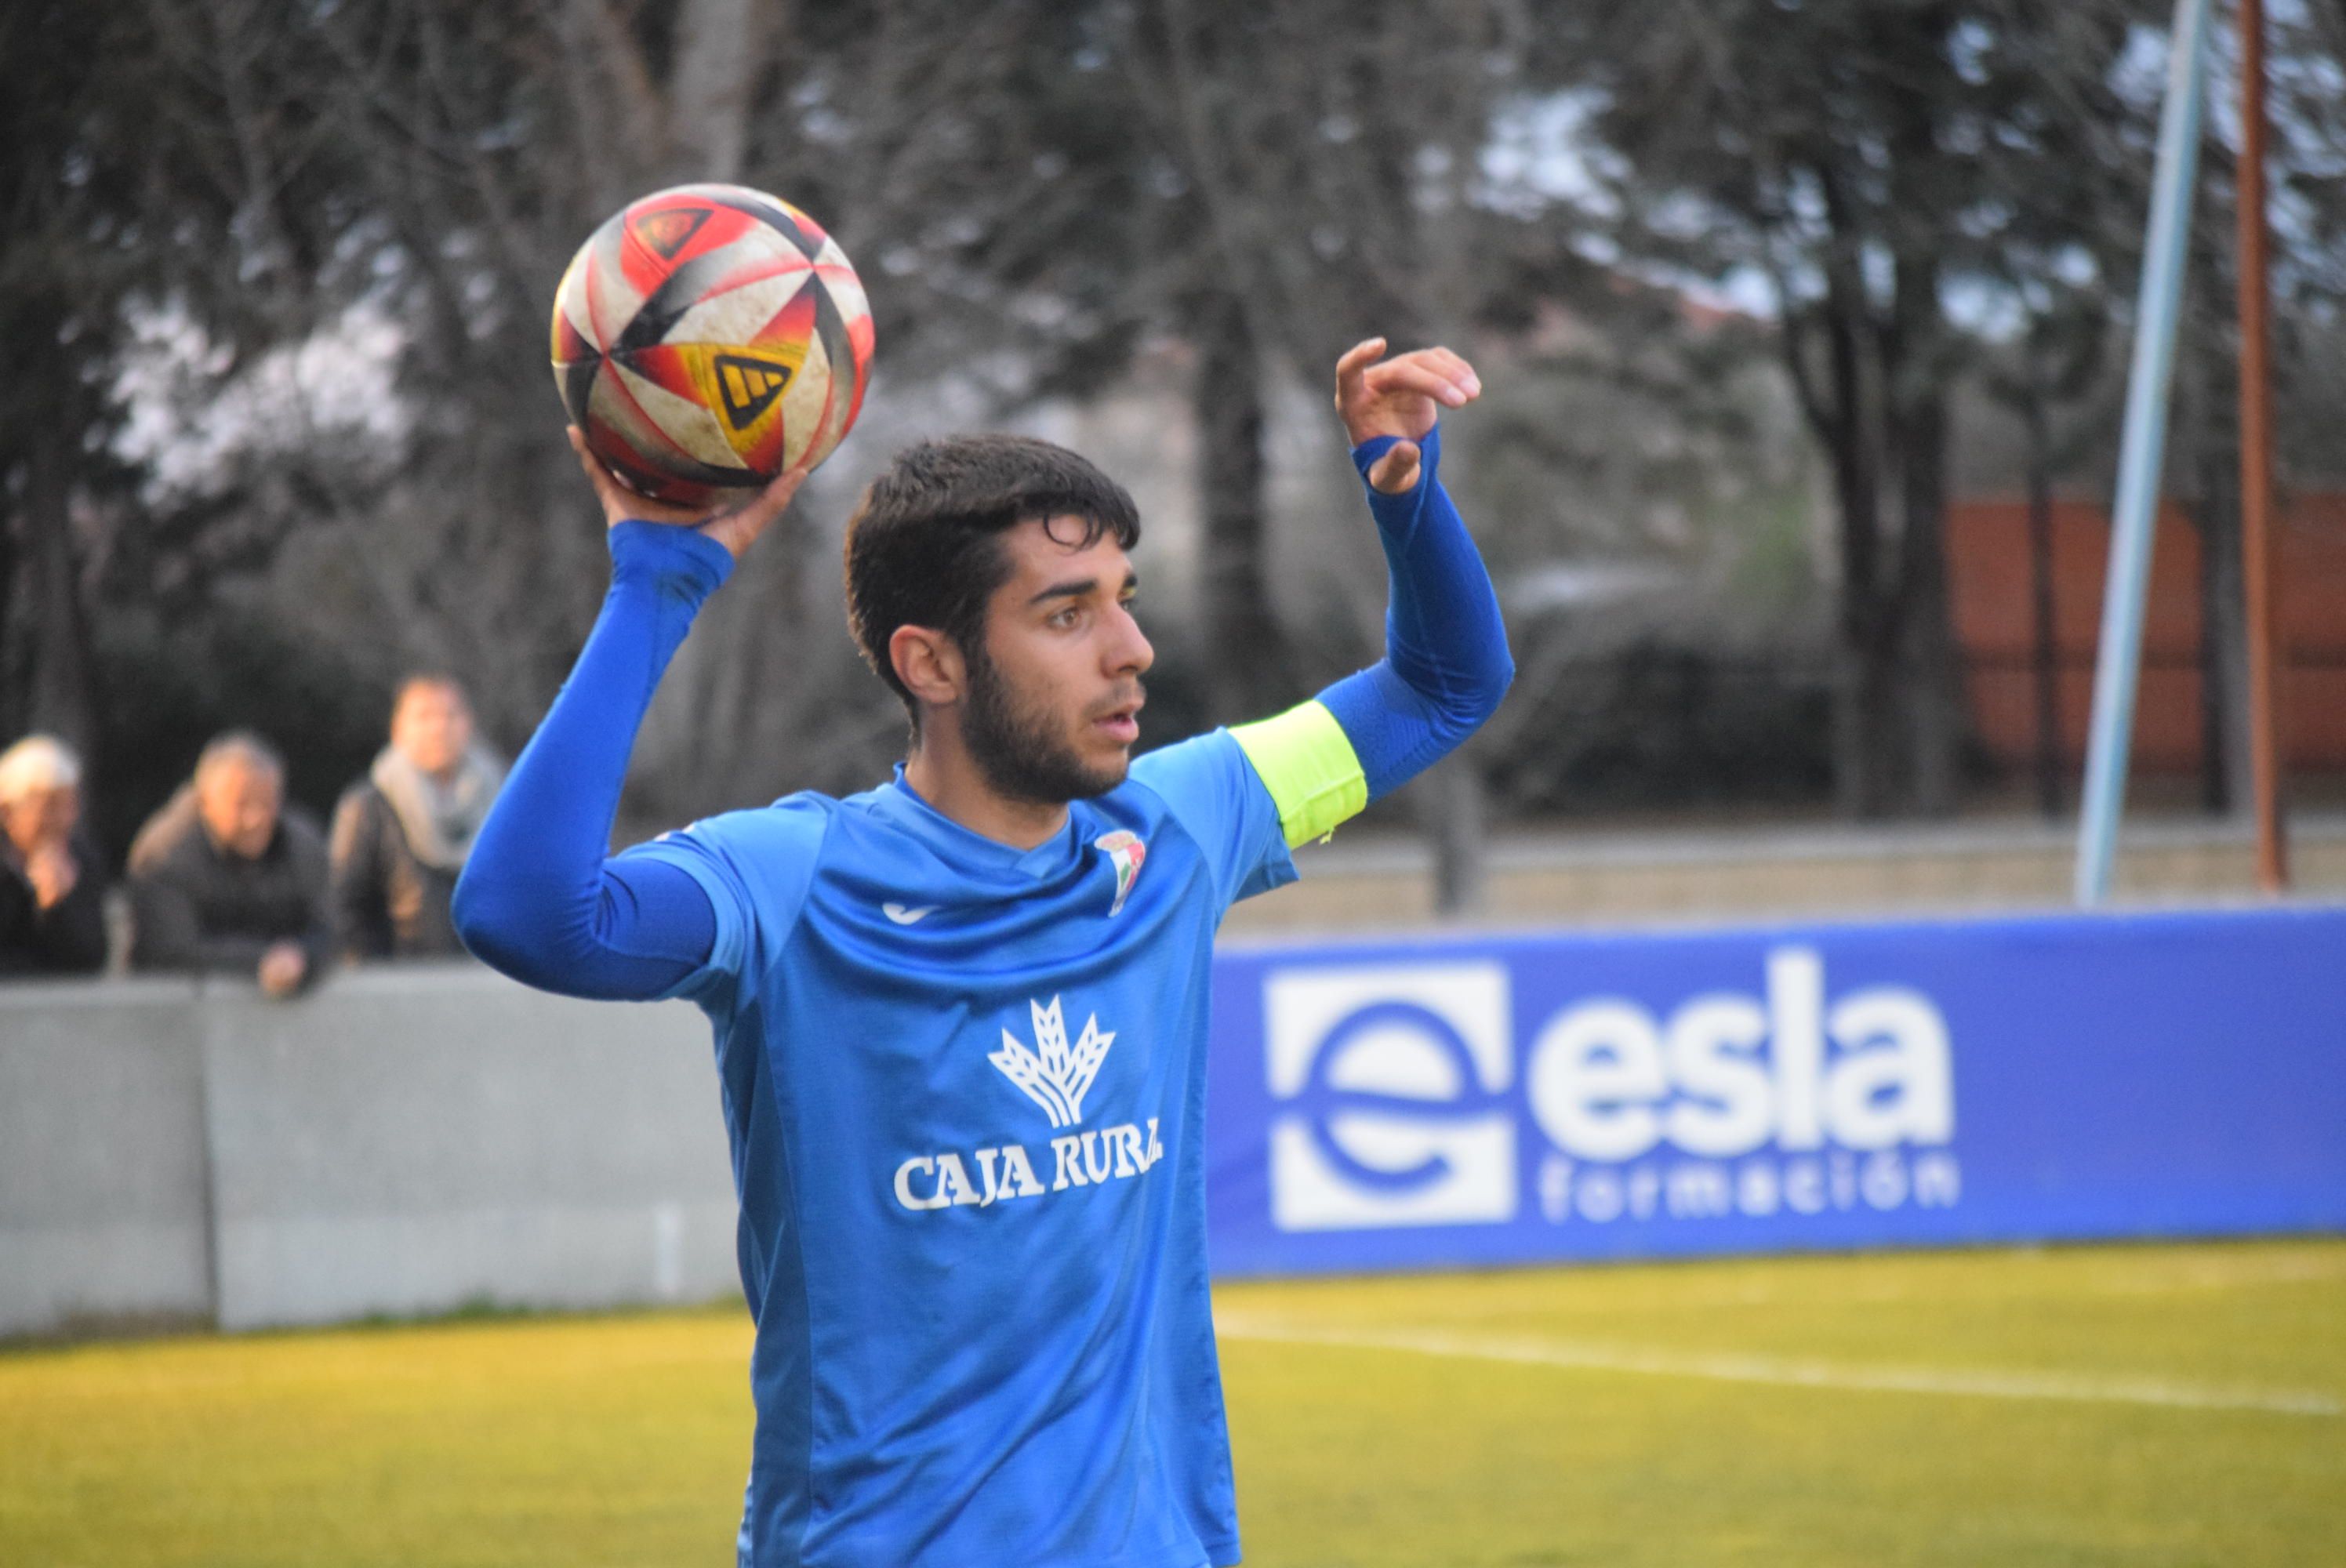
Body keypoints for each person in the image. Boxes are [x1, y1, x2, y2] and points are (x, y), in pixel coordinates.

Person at [453, 336, 1511, 1568]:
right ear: (932, 662)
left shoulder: (1178, 826)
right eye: (1068, 613)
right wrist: (660, 582)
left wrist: (1405, 487)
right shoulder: (796, 878)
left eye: (1126, 598)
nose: (1131, 651)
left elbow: (1445, 684)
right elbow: (527, 914)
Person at [129, 731, 334, 996]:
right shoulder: (165, 855)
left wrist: (303, 956)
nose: (256, 819)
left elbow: (331, 927)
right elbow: (171, 948)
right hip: (180, 1018)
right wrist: (261, 961)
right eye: (241, 805)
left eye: (268, 803)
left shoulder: (304, 846)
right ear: (204, 802)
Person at [329, 673, 505, 961]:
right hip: (402, 981)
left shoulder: (503, 798)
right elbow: (344, 906)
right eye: (424, 717)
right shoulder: (367, 806)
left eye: (450, 715)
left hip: (487, 979)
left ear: (469, 724)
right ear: (398, 729)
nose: (439, 728)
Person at [0, 735, 108, 977]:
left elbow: (90, 960)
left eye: (69, 806)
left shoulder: (82, 860)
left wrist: (57, 908)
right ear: (7, 812)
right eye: (49, 807)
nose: (63, 820)